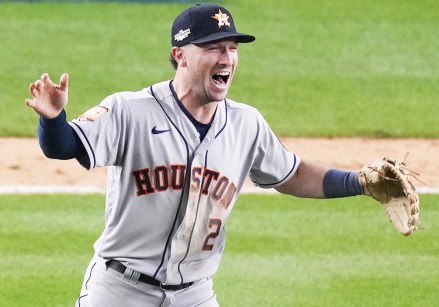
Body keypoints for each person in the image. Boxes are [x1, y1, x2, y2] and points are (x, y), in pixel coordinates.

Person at [25, 4, 365, 306]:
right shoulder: (130, 110)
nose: (227, 58)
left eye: (232, 49)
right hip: (120, 290)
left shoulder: (246, 123)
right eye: (214, 48)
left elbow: (293, 175)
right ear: (180, 55)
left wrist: (359, 182)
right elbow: (64, 146)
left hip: (194, 293)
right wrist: (53, 119)